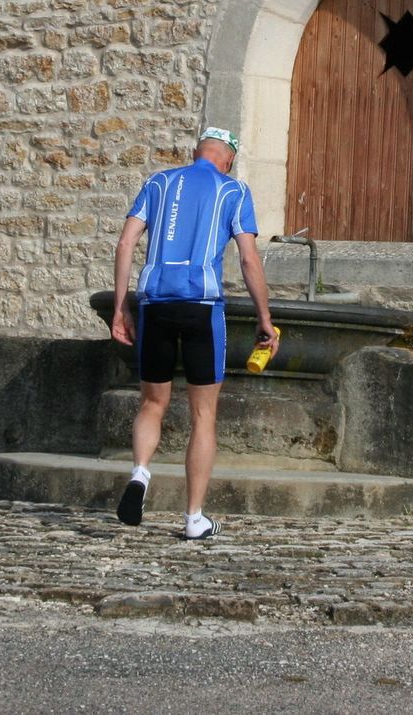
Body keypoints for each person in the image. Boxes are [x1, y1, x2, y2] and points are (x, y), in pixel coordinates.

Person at [109, 126, 279, 539]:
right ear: (228, 160)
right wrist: (264, 317)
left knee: (152, 402)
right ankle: (194, 518)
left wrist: (120, 308)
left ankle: (140, 473)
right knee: (203, 414)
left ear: (195, 152)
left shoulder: (159, 182)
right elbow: (248, 259)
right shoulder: (233, 190)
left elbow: (126, 244)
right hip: (202, 307)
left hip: (155, 304)